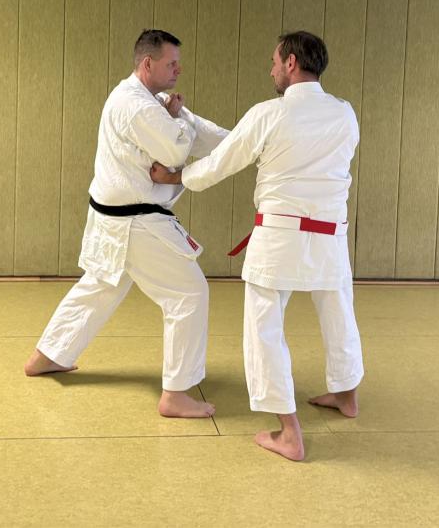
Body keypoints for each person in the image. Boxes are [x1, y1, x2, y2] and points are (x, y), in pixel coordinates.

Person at [150, 31, 363, 460]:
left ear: (290, 63)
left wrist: (175, 176)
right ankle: (346, 395)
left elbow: (221, 163)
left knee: (264, 326)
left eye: (273, 62)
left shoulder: (269, 113)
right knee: (338, 309)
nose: (271, 70)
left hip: (280, 234)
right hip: (331, 234)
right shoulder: (345, 113)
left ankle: (289, 432)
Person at [24, 29, 229, 418]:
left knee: (101, 286)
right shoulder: (137, 106)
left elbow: (199, 132)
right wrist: (176, 120)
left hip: (114, 219)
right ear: (148, 63)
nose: (179, 69)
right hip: (136, 222)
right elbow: (178, 148)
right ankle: (176, 394)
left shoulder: (151, 101)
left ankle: (48, 355)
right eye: (172, 63)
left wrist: (245, 143)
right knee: (189, 294)